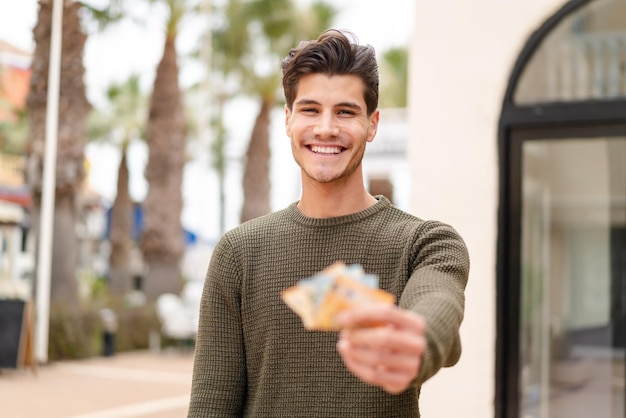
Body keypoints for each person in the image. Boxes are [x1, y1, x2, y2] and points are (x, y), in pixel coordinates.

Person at [188, 28, 470, 417]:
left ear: (372, 124)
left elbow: (438, 304)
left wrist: (417, 339)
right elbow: (210, 407)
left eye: (345, 111)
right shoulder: (239, 252)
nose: (325, 128)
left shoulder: (427, 242)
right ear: (288, 120)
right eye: (310, 109)